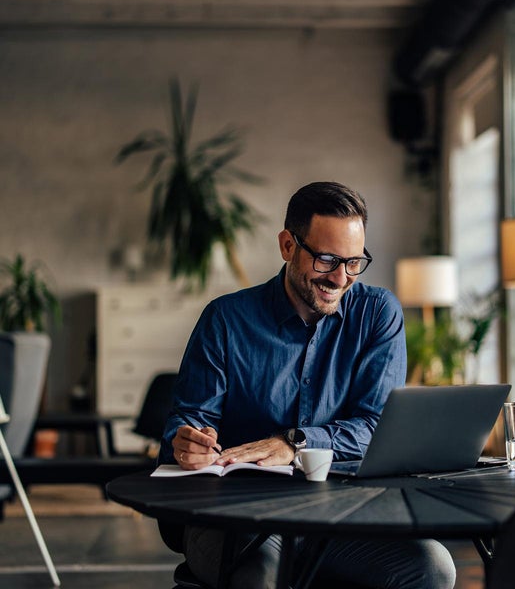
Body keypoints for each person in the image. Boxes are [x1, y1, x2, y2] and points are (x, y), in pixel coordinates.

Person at [159, 181, 456, 589]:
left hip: (339, 515)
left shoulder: (377, 314)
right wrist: (187, 442)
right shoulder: (225, 320)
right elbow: (189, 421)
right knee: (261, 573)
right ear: (287, 245)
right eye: (327, 259)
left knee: (432, 567)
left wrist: (295, 442)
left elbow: (378, 427)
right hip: (236, 515)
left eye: (354, 262)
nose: (340, 278)